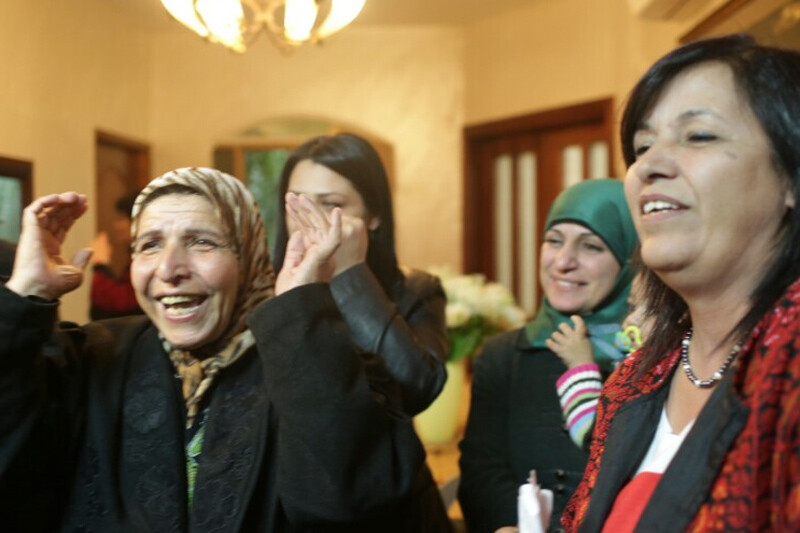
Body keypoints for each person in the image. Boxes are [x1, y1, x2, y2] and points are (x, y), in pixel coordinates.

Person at [0, 167, 430, 532]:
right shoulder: (89, 358)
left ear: (249, 256)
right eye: (149, 244)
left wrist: (300, 313)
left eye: (202, 242)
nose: (169, 269)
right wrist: (24, 298)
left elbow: (351, 508)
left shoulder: (323, 360)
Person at [562, 34, 800, 532]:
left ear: (790, 180)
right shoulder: (636, 377)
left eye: (699, 137)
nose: (647, 165)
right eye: (642, 146)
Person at [272, 133, 452, 531]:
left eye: (332, 205)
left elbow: (416, 388)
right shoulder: (262, 294)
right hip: (292, 505)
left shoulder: (416, 290)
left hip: (394, 507)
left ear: (373, 215)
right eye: (297, 204)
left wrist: (353, 275)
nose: (310, 221)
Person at [458, 178, 638, 533]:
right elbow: (483, 473)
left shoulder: (649, 357)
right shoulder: (503, 355)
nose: (563, 261)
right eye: (553, 241)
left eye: (591, 247)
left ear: (630, 258)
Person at [89, 191, 143, 319]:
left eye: (121, 219)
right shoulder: (134, 254)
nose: (116, 226)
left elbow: (121, 304)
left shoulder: (144, 257)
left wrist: (100, 264)